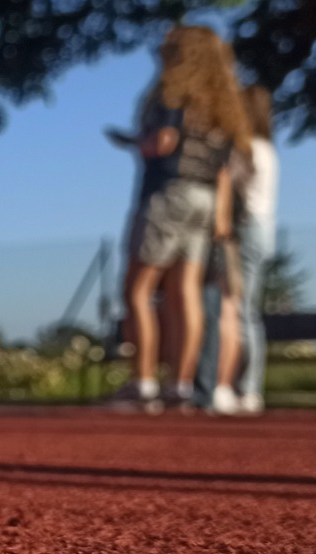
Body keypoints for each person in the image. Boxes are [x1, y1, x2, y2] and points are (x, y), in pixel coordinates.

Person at [104, 26, 251, 414]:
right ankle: (181, 385)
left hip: (168, 194)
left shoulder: (172, 94)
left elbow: (163, 143)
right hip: (205, 199)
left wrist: (131, 142)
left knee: (138, 289)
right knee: (184, 293)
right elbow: (223, 170)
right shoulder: (222, 108)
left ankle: (143, 383)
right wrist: (222, 222)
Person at [198, 84, 278, 416]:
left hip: (248, 228)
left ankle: (247, 387)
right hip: (263, 228)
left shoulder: (250, 148)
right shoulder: (267, 148)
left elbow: (227, 180)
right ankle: (247, 387)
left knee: (240, 309)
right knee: (245, 309)